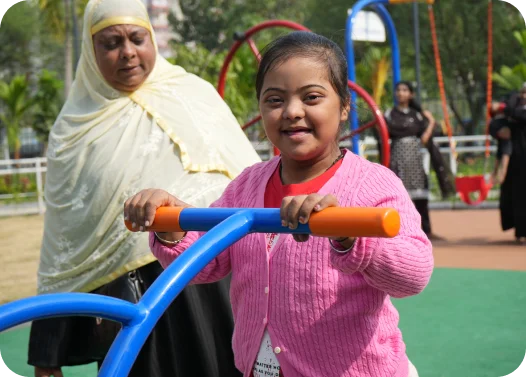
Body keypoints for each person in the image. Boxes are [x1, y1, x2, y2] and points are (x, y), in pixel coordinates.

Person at [124, 31, 434, 377]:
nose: (292, 112)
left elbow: (414, 274)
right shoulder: (246, 186)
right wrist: (172, 229)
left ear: (345, 105)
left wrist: (350, 235)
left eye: (312, 97)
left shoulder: (372, 184)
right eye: (274, 100)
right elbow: (206, 262)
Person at [28, 0, 260, 376]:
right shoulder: (74, 132)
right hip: (141, 305)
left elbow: (251, 184)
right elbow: (66, 248)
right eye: (110, 43)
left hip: (221, 282)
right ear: (91, 51)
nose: (128, 53)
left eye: (138, 38)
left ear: (152, 38)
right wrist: (47, 353)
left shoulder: (195, 95)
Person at [384, 81, 455, 241]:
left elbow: (424, 139)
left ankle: (427, 231)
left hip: (415, 162)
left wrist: (430, 123)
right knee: (398, 197)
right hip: (397, 161)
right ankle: (398, 232)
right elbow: (383, 135)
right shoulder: (389, 114)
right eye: (398, 90)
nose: (400, 93)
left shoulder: (416, 115)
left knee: (421, 196)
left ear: (411, 94)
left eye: (404, 90)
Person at [491, 83, 526, 244]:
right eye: (522, 93)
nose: (524, 96)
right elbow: (494, 124)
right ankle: (520, 230)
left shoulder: (514, 111)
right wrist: (498, 131)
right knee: (518, 197)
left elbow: (519, 115)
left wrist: (503, 107)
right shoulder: (513, 110)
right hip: (517, 162)